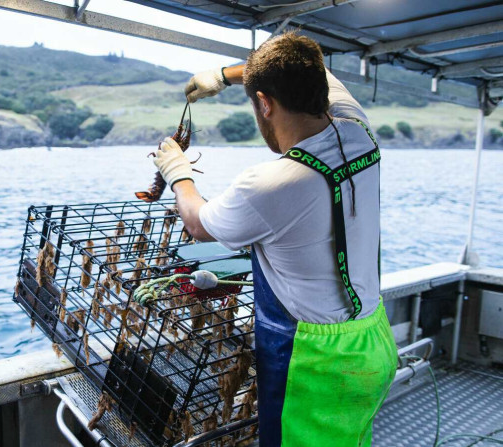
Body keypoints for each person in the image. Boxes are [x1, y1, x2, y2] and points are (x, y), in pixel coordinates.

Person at [152, 32, 397, 447]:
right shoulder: (359, 132)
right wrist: (227, 76)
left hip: (312, 363)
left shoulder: (271, 184)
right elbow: (310, 70)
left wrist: (178, 172)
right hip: (371, 343)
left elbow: (197, 222)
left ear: (265, 103)